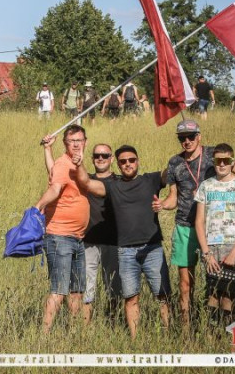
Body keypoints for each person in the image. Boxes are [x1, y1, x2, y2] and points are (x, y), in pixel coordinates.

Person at [154, 119, 235, 330]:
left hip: (214, 231)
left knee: (220, 284)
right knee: (185, 284)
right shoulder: (175, 163)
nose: (187, 141)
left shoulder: (214, 156)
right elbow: (173, 197)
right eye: (182, 138)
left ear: (199, 136)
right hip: (185, 227)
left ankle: (222, 328)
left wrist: (224, 195)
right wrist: (162, 205)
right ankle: (187, 330)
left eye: (191, 137)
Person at [76, 146, 171, 339]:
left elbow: (169, 174)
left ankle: (168, 334)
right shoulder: (113, 186)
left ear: (138, 160)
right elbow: (86, 183)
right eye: (123, 161)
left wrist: (179, 156)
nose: (128, 164)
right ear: (117, 164)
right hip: (126, 251)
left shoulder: (150, 180)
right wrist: (79, 163)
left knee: (163, 296)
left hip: (152, 247)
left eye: (131, 160)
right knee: (130, 297)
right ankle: (135, 339)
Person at [44, 140, 120, 325]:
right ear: (92, 159)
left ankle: (113, 323)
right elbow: (56, 174)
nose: (100, 158)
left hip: (113, 241)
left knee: (114, 288)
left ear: (112, 159)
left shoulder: (119, 182)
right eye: (97, 156)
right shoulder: (84, 179)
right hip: (88, 242)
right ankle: (84, 330)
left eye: (105, 155)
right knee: (87, 290)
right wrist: (48, 149)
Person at [34, 126, 90, 333]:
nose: (76, 143)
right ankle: (44, 336)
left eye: (79, 140)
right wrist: (37, 206)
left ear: (85, 141)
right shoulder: (64, 162)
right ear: (65, 144)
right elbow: (55, 187)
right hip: (60, 237)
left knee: (76, 291)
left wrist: (47, 150)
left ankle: (74, 333)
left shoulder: (73, 164)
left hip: (78, 238)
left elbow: (53, 173)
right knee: (59, 290)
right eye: (71, 140)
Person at [194, 143, 235, 326]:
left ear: (232, 162)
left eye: (226, 161)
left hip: (233, 247)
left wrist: (234, 252)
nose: (221, 164)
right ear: (213, 161)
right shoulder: (205, 186)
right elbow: (199, 221)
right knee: (212, 294)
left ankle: (229, 337)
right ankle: (211, 336)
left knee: (229, 295)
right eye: (218, 160)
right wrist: (206, 253)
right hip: (211, 247)